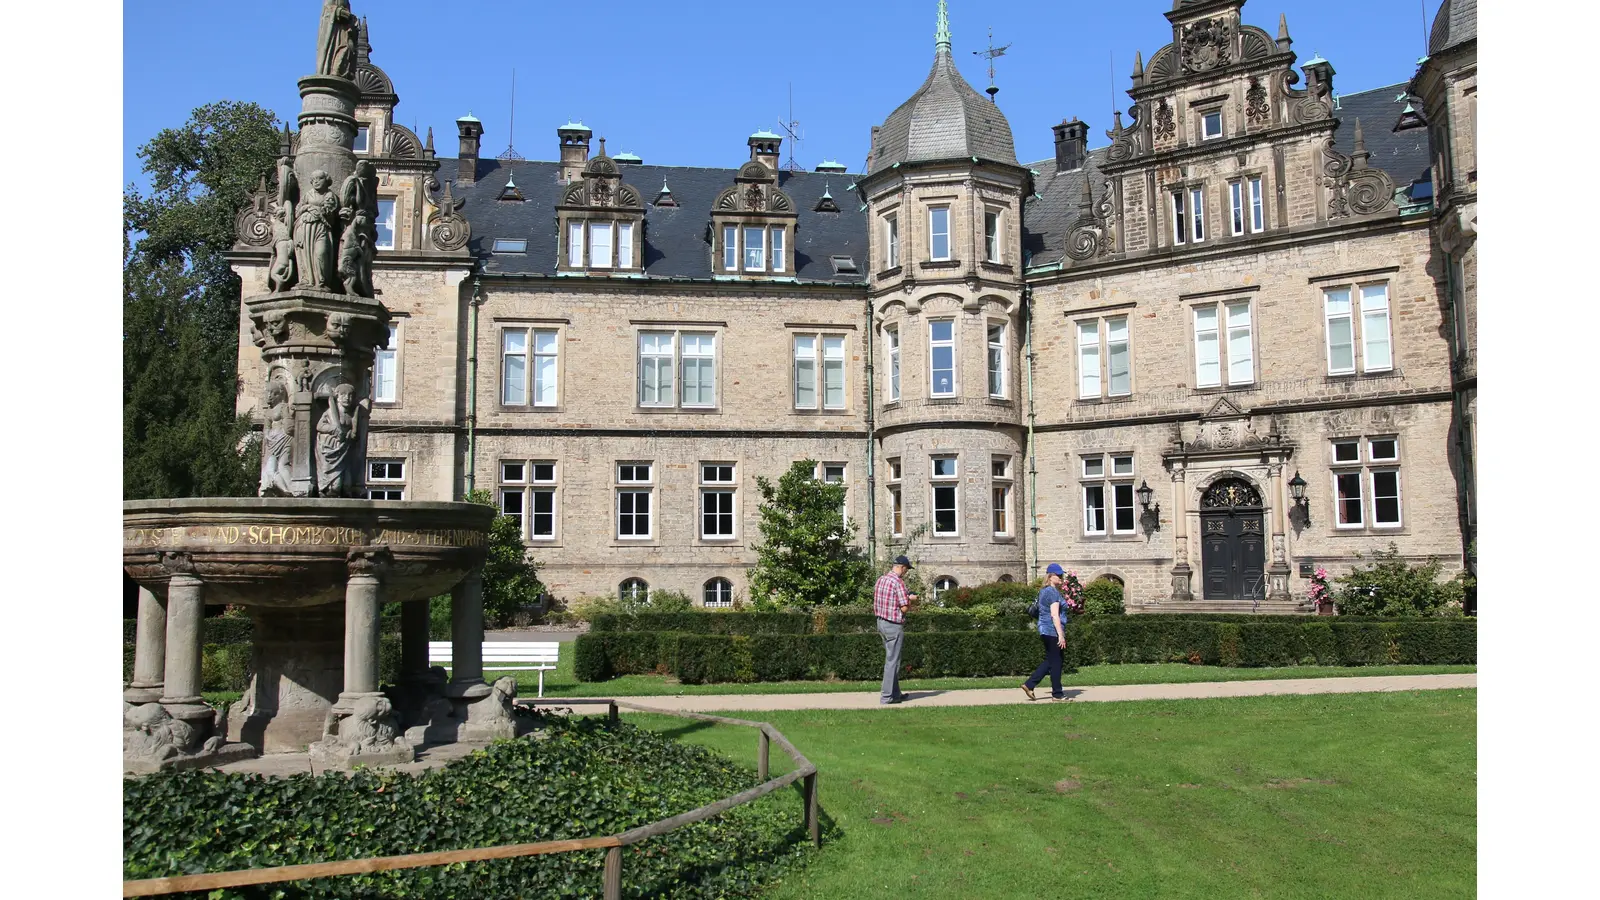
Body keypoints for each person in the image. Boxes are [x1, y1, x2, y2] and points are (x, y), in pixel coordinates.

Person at [872, 555, 918, 705]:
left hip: (881, 623)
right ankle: (887, 697)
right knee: (893, 662)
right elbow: (904, 608)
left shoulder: (881, 579)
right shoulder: (898, 582)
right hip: (893, 625)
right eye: (906, 569)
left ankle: (896, 694)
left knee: (892, 659)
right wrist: (910, 599)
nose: (906, 572)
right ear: (902, 567)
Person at [1022, 563, 1069, 701]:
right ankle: (1057, 694)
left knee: (1052, 660)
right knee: (1056, 663)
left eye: (1062, 575)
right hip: (1052, 630)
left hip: (1045, 629)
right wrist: (1060, 635)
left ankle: (1029, 684)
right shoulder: (1052, 592)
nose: (1061, 577)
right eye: (1058, 575)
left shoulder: (1044, 591)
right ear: (1050, 576)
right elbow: (1054, 615)